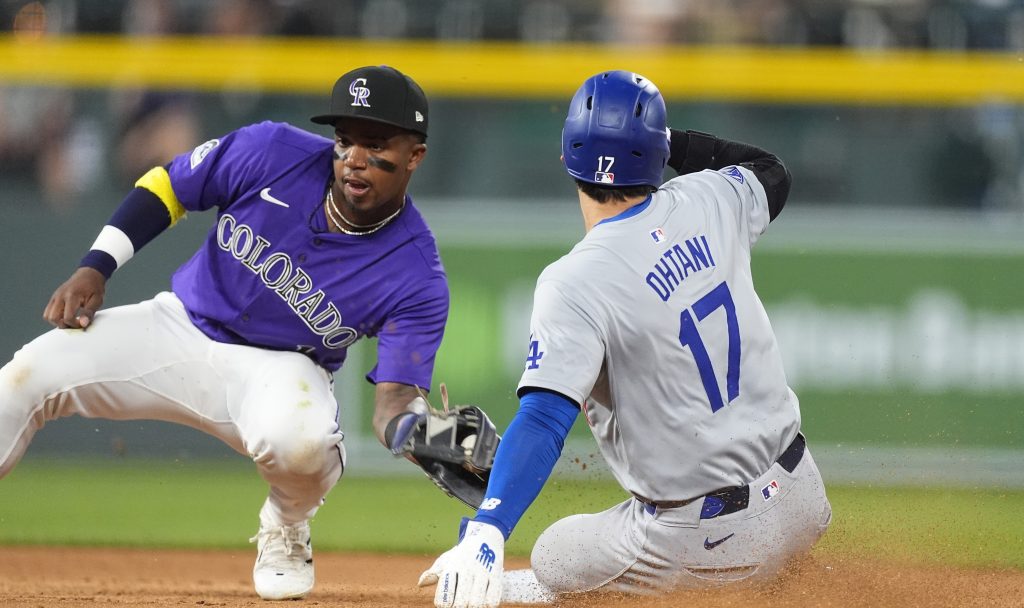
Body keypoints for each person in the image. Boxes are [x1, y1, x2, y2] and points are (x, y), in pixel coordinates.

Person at [0, 65, 449, 601]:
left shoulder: (416, 273)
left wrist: (426, 435)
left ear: (414, 156)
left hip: (281, 371)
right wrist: (96, 265)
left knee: (302, 444)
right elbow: (168, 185)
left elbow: (394, 401)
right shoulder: (271, 150)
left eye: (375, 145)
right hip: (178, 328)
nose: (353, 159)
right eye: (344, 141)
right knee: (23, 377)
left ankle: (285, 526)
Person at [418, 70, 832, 607]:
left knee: (554, 555)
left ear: (568, 153)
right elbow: (770, 170)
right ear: (657, 152)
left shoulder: (575, 279)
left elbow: (545, 418)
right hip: (803, 499)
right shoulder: (707, 197)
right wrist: (653, 140)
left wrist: (489, 525)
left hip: (711, 544)